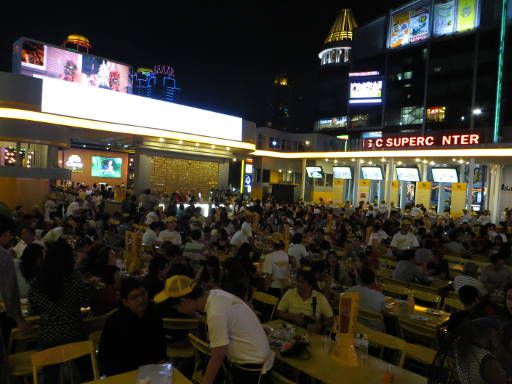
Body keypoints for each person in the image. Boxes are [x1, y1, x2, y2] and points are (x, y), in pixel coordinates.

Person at [155, 275, 274, 384]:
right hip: (252, 356)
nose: (178, 311)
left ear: (184, 301)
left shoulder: (215, 313)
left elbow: (218, 356)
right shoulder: (214, 294)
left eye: (177, 308)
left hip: (253, 365)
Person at [28, 239, 90, 350]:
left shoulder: (37, 282)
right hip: (74, 333)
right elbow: (85, 302)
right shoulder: (75, 278)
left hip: (48, 336)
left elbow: (33, 310)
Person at [99, 278, 166, 376]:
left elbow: (160, 344)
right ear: (125, 302)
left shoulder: (154, 314)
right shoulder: (115, 322)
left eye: (143, 294)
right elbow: (106, 358)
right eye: (134, 297)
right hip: (123, 373)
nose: (141, 300)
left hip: (152, 371)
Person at [0, 215, 31, 383]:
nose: (12, 238)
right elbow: (10, 292)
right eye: (10, 234)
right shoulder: (4, 257)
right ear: (4, 234)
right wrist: (19, 319)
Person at [454, 318, 507, 384]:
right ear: (490, 331)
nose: (500, 333)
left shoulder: (461, 351)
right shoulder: (487, 361)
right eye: (497, 331)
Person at [262, 232, 290, 297]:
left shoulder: (269, 257)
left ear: (272, 243)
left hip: (273, 289)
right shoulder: (286, 255)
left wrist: (266, 292)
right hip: (284, 289)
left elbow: (268, 277)